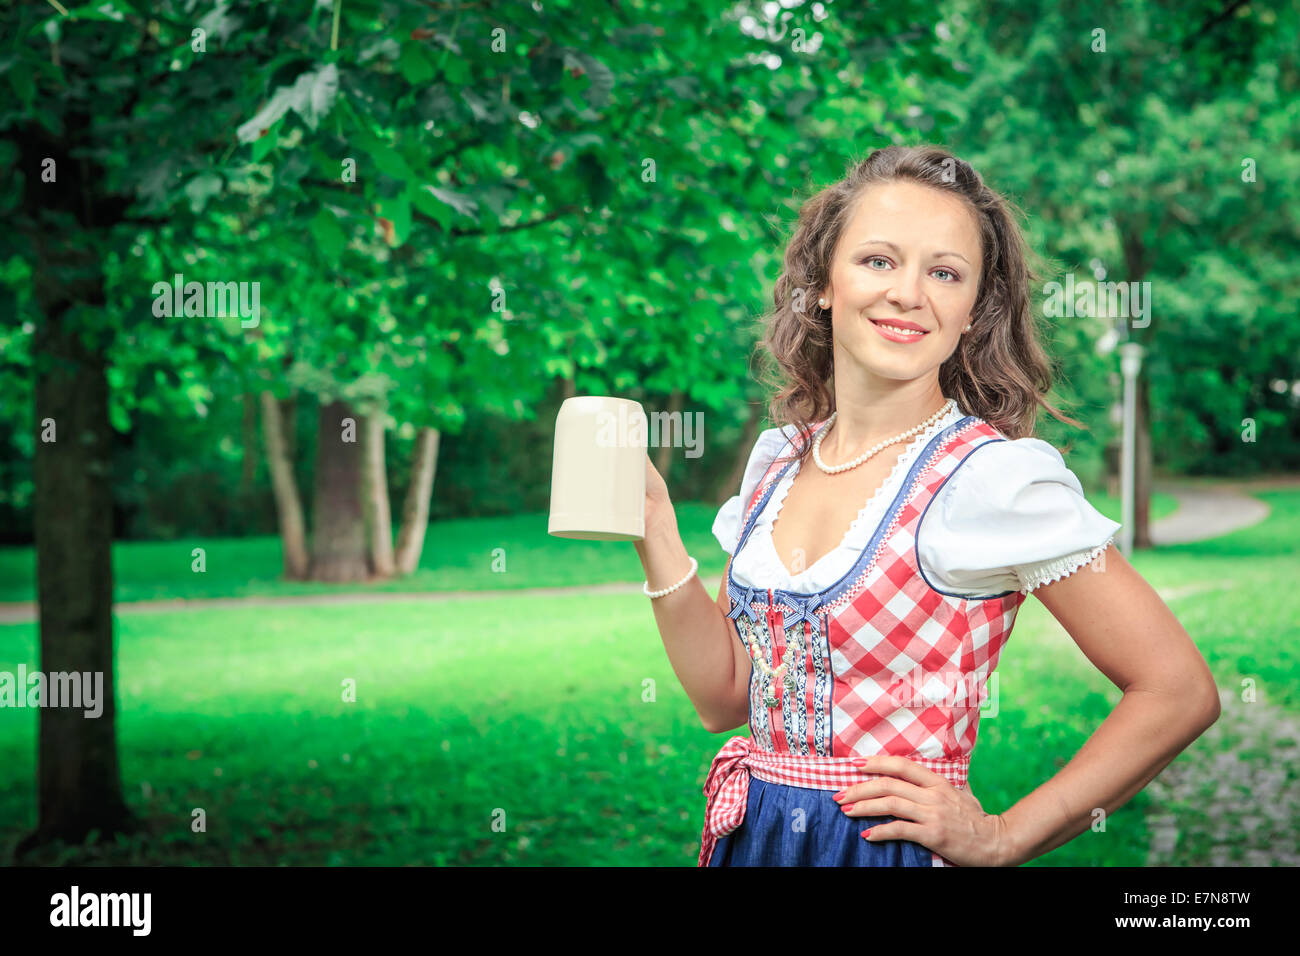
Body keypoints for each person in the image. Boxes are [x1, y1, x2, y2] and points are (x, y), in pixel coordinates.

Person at [633, 144, 1220, 867]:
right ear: (822, 283)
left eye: (944, 273)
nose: (909, 293)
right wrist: (655, 528)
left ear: (974, 310)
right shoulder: (777, 462)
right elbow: (725, 697)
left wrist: (1004, 835)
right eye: (879, 260)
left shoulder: (991, 481)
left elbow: (1177, 690)